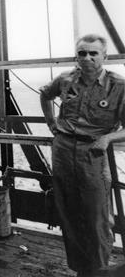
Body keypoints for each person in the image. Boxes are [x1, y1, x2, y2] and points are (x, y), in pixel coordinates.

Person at [39, 34, 125, 277]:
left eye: (93, 53)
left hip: (93, 153)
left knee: (96, 215)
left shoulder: (119, 85)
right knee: (68, 211)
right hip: (64, 150)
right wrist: (51, 124)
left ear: (104, 56)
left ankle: (98, 269)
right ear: (76, 56)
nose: (87, 58)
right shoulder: (66, 79)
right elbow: (45, 94)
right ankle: (80, 269)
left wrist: (107, 138)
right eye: (82, 53)